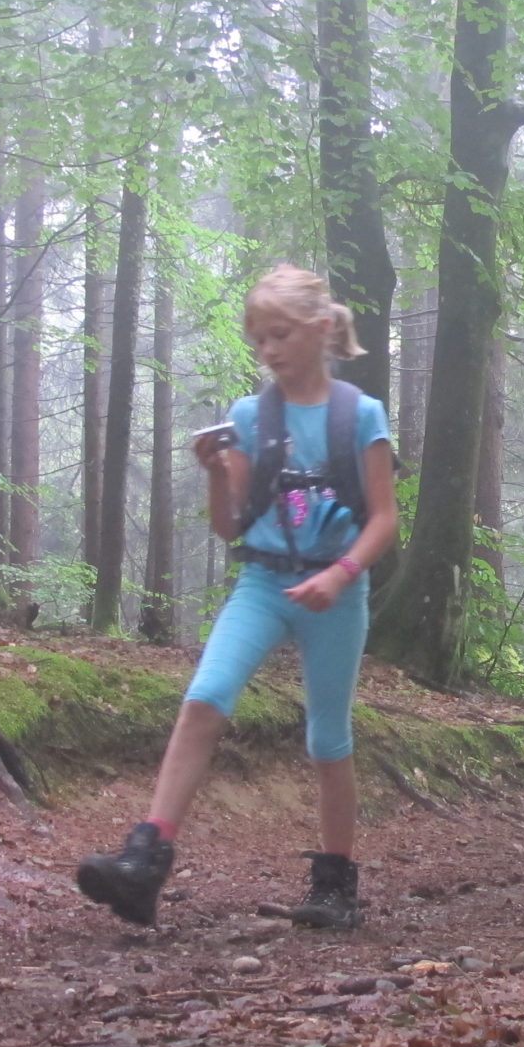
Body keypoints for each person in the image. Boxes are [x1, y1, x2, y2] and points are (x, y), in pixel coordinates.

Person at [75, 265, 396, 931]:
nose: (269, 350)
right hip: (262, 583)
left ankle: (335, 882)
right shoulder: (252, 417)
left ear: (318, 330)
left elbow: (385, 518)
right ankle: (146, 859)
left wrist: (340, 573)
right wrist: (217, 476)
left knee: (327, 738)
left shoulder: (360, 415)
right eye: (258, 341)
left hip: (335, 593)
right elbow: (232, 524)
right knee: (203, 699)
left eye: (279, 335)